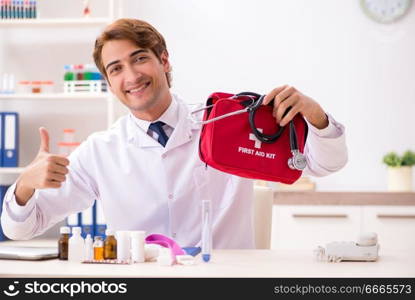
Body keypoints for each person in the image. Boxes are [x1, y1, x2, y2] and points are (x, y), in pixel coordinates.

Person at [1, 19, 347, 248]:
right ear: (109, 84)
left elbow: (323, 165)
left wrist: (313, 116)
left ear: (164, 61)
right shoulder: (100, 150)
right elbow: (19, 229)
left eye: (139, 59)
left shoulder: (226, 124)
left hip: (225, 282)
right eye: (116, 68)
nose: (131, 75)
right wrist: (26, 184)